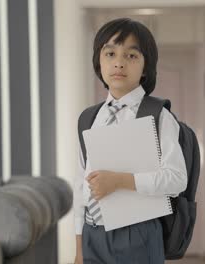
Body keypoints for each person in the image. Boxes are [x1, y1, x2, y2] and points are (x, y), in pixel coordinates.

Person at [73, 17, 187, 264]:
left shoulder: (158, 116)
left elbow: (177, 179)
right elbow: (81, 185)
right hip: (93, 234)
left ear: (146, 67)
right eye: (110, 54)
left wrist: (121, 181)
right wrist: (79, 246)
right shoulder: (89, 118)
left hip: (138, 233)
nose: (119, 63)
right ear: (98, 62)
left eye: (131, 56)